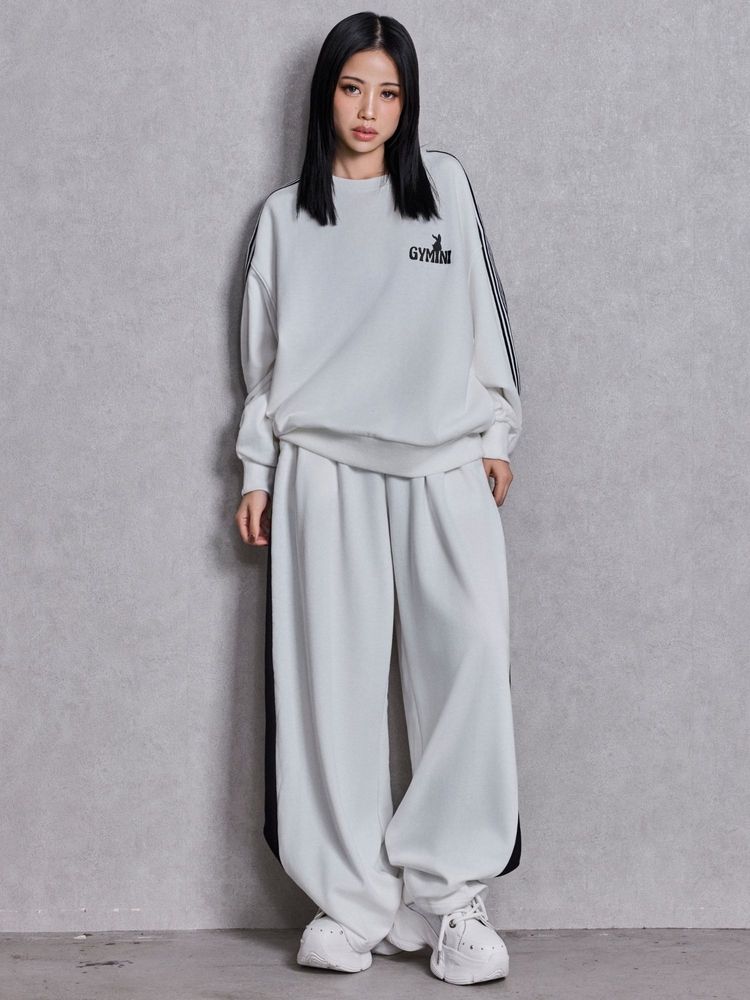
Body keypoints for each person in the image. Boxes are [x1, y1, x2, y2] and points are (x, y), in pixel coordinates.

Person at [233, 11, 523, 987]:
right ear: (326, 95)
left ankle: (450, 898)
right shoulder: (285, 218)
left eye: (389, 92)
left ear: (409, 102)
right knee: (329, 684)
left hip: (443, 461)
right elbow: (264, 364)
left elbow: (485, 316)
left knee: (471, 658)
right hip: (322, 466)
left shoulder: (444, 187)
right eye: (353, 88)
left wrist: (495, 432)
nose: (370, 110)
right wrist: (257, 470)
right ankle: (350, 901)